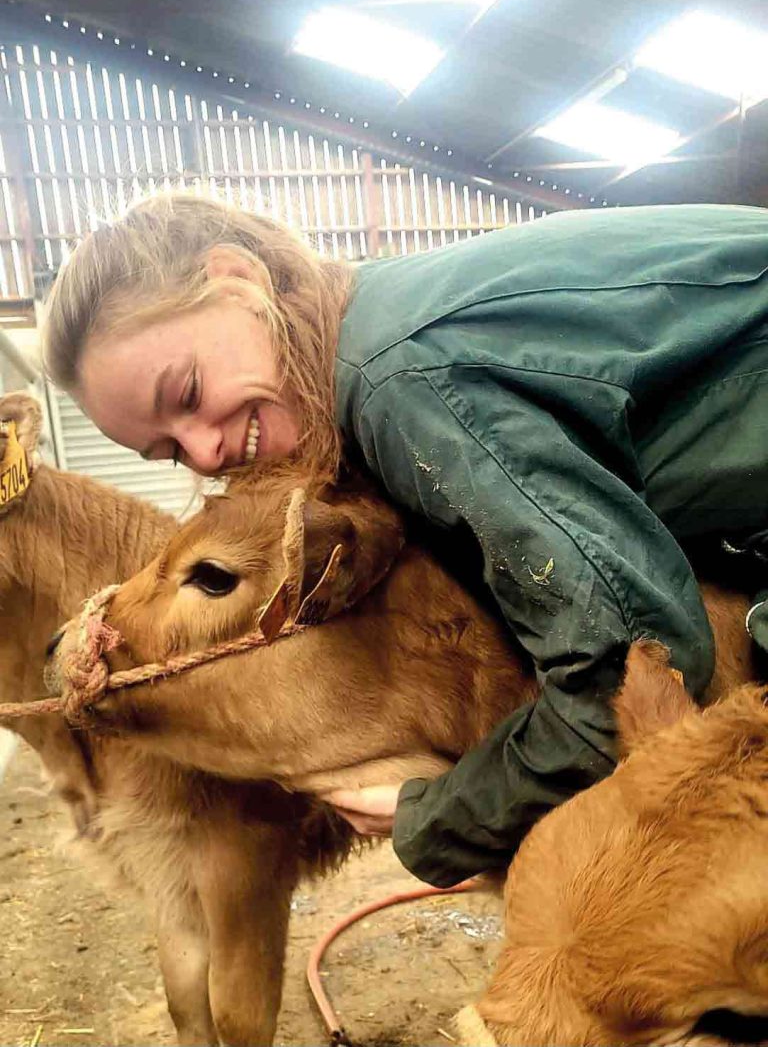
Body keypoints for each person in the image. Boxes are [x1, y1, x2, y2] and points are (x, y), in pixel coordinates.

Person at [42, 193, 768, 887]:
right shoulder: (375, 316)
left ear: (238, 282)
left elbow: (636, 665)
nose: (204, 451)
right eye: (169, 451)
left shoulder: (401, 383)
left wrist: (441, 814)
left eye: (188, 393)